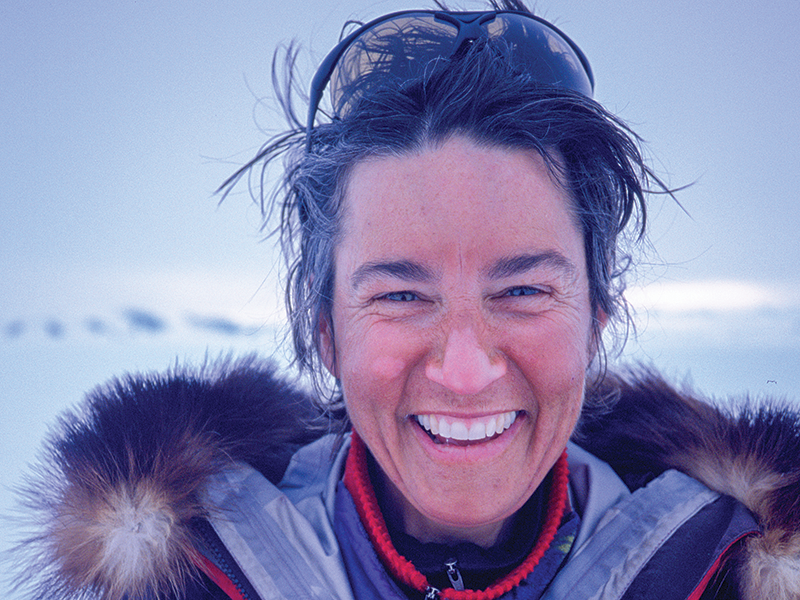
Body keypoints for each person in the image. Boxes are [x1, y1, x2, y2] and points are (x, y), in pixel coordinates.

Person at [11, 2, 800, 599]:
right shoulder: (182, 574)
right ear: (325, 331)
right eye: (399, 294)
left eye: (522, 289)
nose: (464, 372)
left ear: (596, 321)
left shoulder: (727, 566)